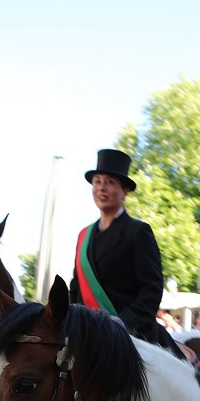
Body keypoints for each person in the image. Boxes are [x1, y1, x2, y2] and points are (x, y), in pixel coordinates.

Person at [69, 148, 180, 355]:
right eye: (98, 181)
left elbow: (151, 289)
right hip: (88, 336)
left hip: (133, 338)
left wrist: (121, 323)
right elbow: (76, 289)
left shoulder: (138, 231)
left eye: (110, 182)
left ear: (124, 191)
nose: (102, 188)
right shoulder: (84, 236)